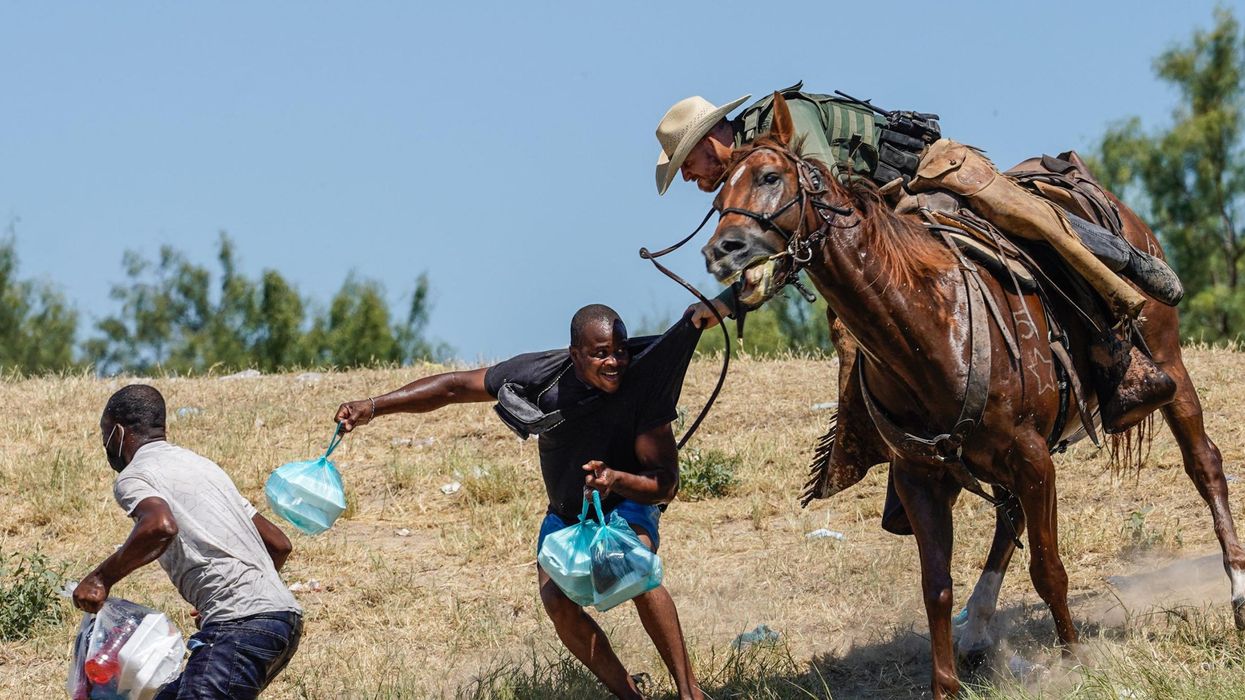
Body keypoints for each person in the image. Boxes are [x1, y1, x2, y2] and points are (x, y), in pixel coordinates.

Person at [655, 83, 1179, 436]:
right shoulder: (749, 177)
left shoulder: (784, 121)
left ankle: (1121, 307)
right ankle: (896, 444)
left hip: (930, 175)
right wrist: (729, 300)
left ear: (711, 138)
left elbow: (822, 211)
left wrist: (731, 299)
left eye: (687, 163)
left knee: (1029, 223)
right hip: (885, 221)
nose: (688, 178)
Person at [334, 305, 710, 700]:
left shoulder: (644, 384)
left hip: (626, 501)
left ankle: (690, 693)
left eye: (620, 350)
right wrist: (372, 407)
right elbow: (454, 387)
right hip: (567, 514)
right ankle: (630, 696)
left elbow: (665, 485)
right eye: (600, 353)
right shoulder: (540, 375)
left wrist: (615, 479)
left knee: (632, 564)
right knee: (556, 601)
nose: (614, 361)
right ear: (575, 354)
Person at [74, 384, 303, 700]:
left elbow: (160, 526)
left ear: (118, 432)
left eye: (104, 435)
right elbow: (279, 544)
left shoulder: (135, 475)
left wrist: (100, 579)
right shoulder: (203, 467)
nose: (105, 445)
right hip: (282, 620)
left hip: (239, 624)